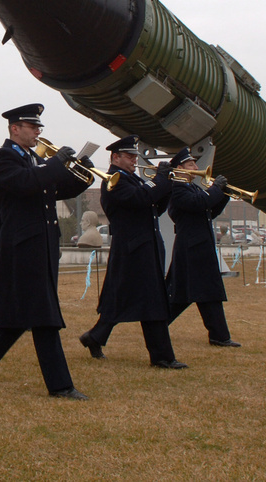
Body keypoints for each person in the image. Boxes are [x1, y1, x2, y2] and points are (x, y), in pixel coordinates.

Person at [0, 103, 92, 399]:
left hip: (41, 245)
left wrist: (82, 172)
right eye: (32, 127)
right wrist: (55, 163)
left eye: (39, 128)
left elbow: (57, 188)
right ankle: (60, 385)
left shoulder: (33, 158)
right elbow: (25, 183)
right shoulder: (4, 157)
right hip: (22, 247)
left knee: (24, 315)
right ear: (15, 128)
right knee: (44, 316)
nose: (38, 132)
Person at [78, 135, 186, 368]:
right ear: (115, 157)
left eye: (134, 156)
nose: (133, 161)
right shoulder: (114, 181)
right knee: (151, 301)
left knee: (122, 298)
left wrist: (166, 185)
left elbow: (153, 207)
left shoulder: (131, 178)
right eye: (129, 156)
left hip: (143, 245)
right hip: (133, 247)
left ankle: (95, 337)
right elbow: (141, 198)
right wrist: (159, 179)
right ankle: (162, 357)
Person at [165, 147, 240, 347]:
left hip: (199, 246)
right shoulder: (177, 188)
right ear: (180, 167)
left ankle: (219, 336)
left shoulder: (192, 187)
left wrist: (223, 194)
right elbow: (199, 203)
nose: (196, 168)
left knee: (202, 292)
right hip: (190, 247)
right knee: (186, 293)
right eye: (191, 164)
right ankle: (157, 326)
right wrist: (215, 188)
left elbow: (208, 211)